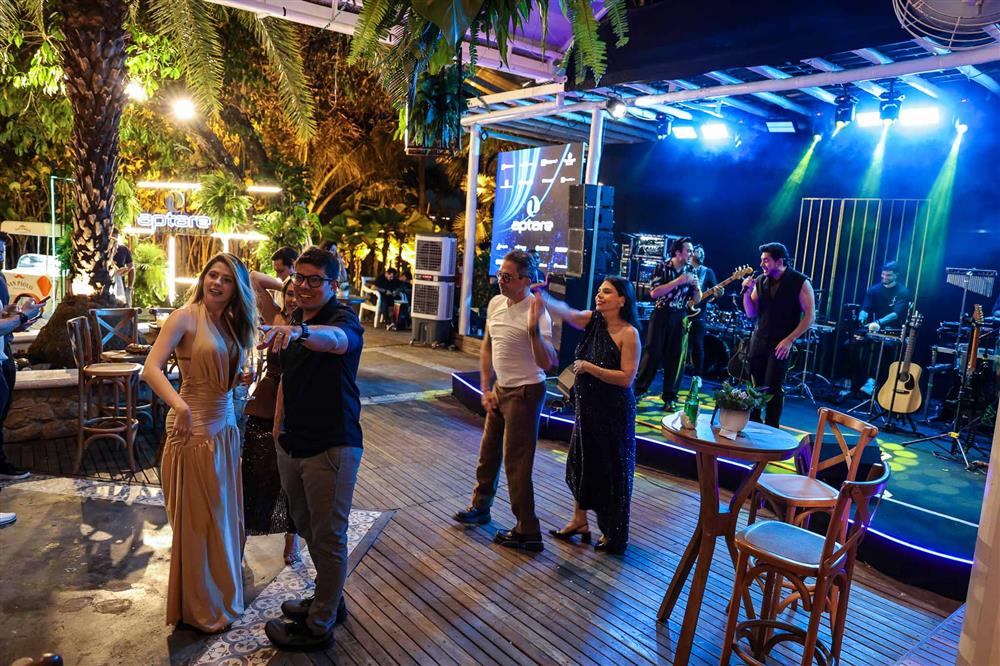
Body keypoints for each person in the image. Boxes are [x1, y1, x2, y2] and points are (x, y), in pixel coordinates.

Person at [142, 253, 258, 633]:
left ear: (236, 289)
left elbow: (222, 372)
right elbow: (151, 369)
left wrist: (235, 378)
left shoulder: (231, 321)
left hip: (225, 429)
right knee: (197, 523)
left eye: (227, 279)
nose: (217, 283)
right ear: (203, 278)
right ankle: (198, 607)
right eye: (213, 275)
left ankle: (220, 595)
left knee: (222, 519)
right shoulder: (185, 316)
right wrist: (179, 405)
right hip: (192, 431)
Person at [261, 246, 365, 650]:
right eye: (299, 278)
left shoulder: (342, 319)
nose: (303, 286)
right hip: (293, 442)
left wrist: (301, 332)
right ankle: (329, 598)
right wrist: (277, 426)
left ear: (333, 284)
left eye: (314, 280)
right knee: (306, 526)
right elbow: (287, 379)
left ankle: (319, 625)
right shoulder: (294, 318)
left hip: (331, 444)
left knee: (329, 536)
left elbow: (336, 342)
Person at [452, 249, 557, 553]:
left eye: (508, 277)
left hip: (526, 392)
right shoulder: (496, 303)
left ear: (526, 280)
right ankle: (480, 507)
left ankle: (528, 530)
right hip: (501, 389)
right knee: (488, 453)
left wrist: (533, 329)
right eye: (500, 275)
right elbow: (488, 347)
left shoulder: (537, 311)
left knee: (517, 463)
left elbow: (547, 362)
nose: (501, 281)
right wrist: (486, 388)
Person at [537, 277, 640, 554]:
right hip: (587, 409)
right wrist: (542, 296)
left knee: (610, 469)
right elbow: (567, 313)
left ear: (622, 300)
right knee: (581, 463)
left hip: (613, 413)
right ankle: (579, 521)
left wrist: (590, 368)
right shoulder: (592, 320)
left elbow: (626, 379)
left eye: (607, 292)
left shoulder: (629, 333)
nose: (599, 295)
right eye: (599, 291)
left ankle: (613, 533)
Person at [241, 278, 299, 565]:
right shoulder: (277, 318)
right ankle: (243, 532)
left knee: (292, 478)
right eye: (290, 293)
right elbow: (253, 278)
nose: (293, 298)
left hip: (297, 401)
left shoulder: (312, 326)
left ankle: (291, 537)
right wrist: (288, 282)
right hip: (267, 397)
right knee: (255, 470)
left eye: (299, 293)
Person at [741, 242, 816, 427]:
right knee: (754, 385)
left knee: (773, 388)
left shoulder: (800, 281)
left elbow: (810, 316)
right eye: (761, 260)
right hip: (759, 339)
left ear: (780, 261)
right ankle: (752, 424)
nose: (761, 264)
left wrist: (790, 340)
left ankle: (771, 429)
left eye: (766, 260)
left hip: (781, 342)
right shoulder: (761, 280)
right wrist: (747, 293)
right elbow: (751, 312)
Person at [634, 237, 701, 407]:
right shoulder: (662, 267)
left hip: (679, 315)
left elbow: (697, 299)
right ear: (678, 252)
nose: (691, 254)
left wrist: (696, 287)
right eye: (688, 251)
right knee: (653, 352)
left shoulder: (691, 270)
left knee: (675, 357)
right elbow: (654, 293)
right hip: (661, 313)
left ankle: (670, 397)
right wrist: (678, 281)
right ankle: (639, 390)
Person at [0, 232, 46, 481]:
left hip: (3, 352)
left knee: (3, 410)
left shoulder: (1, 279)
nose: (1, 257)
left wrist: (15, 317)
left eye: (2, 252)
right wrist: (23, 316)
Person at [849, 260, 911, 396]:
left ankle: (873, 381)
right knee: (850, 344)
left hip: (892, 330)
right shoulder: (874, 290)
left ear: (896, 275)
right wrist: (862, 316)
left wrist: (878, 322)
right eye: (883, 274)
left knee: (885, 348)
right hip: (873, 327)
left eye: (888, 275)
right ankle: (855, 380)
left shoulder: (903, 291)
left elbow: (895, 314)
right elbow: (865, 307)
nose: (884, 277)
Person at [689, 244, 718, 377]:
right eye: (698, 252)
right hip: (681, 311)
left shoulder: (708, 272)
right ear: (691, 253)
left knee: (697, 345)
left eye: (703, 253)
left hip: (699, 314)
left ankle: (697, 376)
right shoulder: (685, 269)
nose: (701, 254)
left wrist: (718, 294)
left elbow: (715, 292)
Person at [251, 247, 299, 312]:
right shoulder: (280, 287)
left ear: (294, 265)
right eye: (276, 272)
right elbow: (253, 277)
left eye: (281, 271)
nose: (277, 276)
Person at [110, 228, 134, 306]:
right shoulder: (103, 252)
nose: (116, 249)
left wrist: (129, 288)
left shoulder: (123, 250)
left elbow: (131, 267)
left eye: (116, 241)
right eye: (113, 242)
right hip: (108, 290)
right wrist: (117, 273)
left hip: (120, 288)